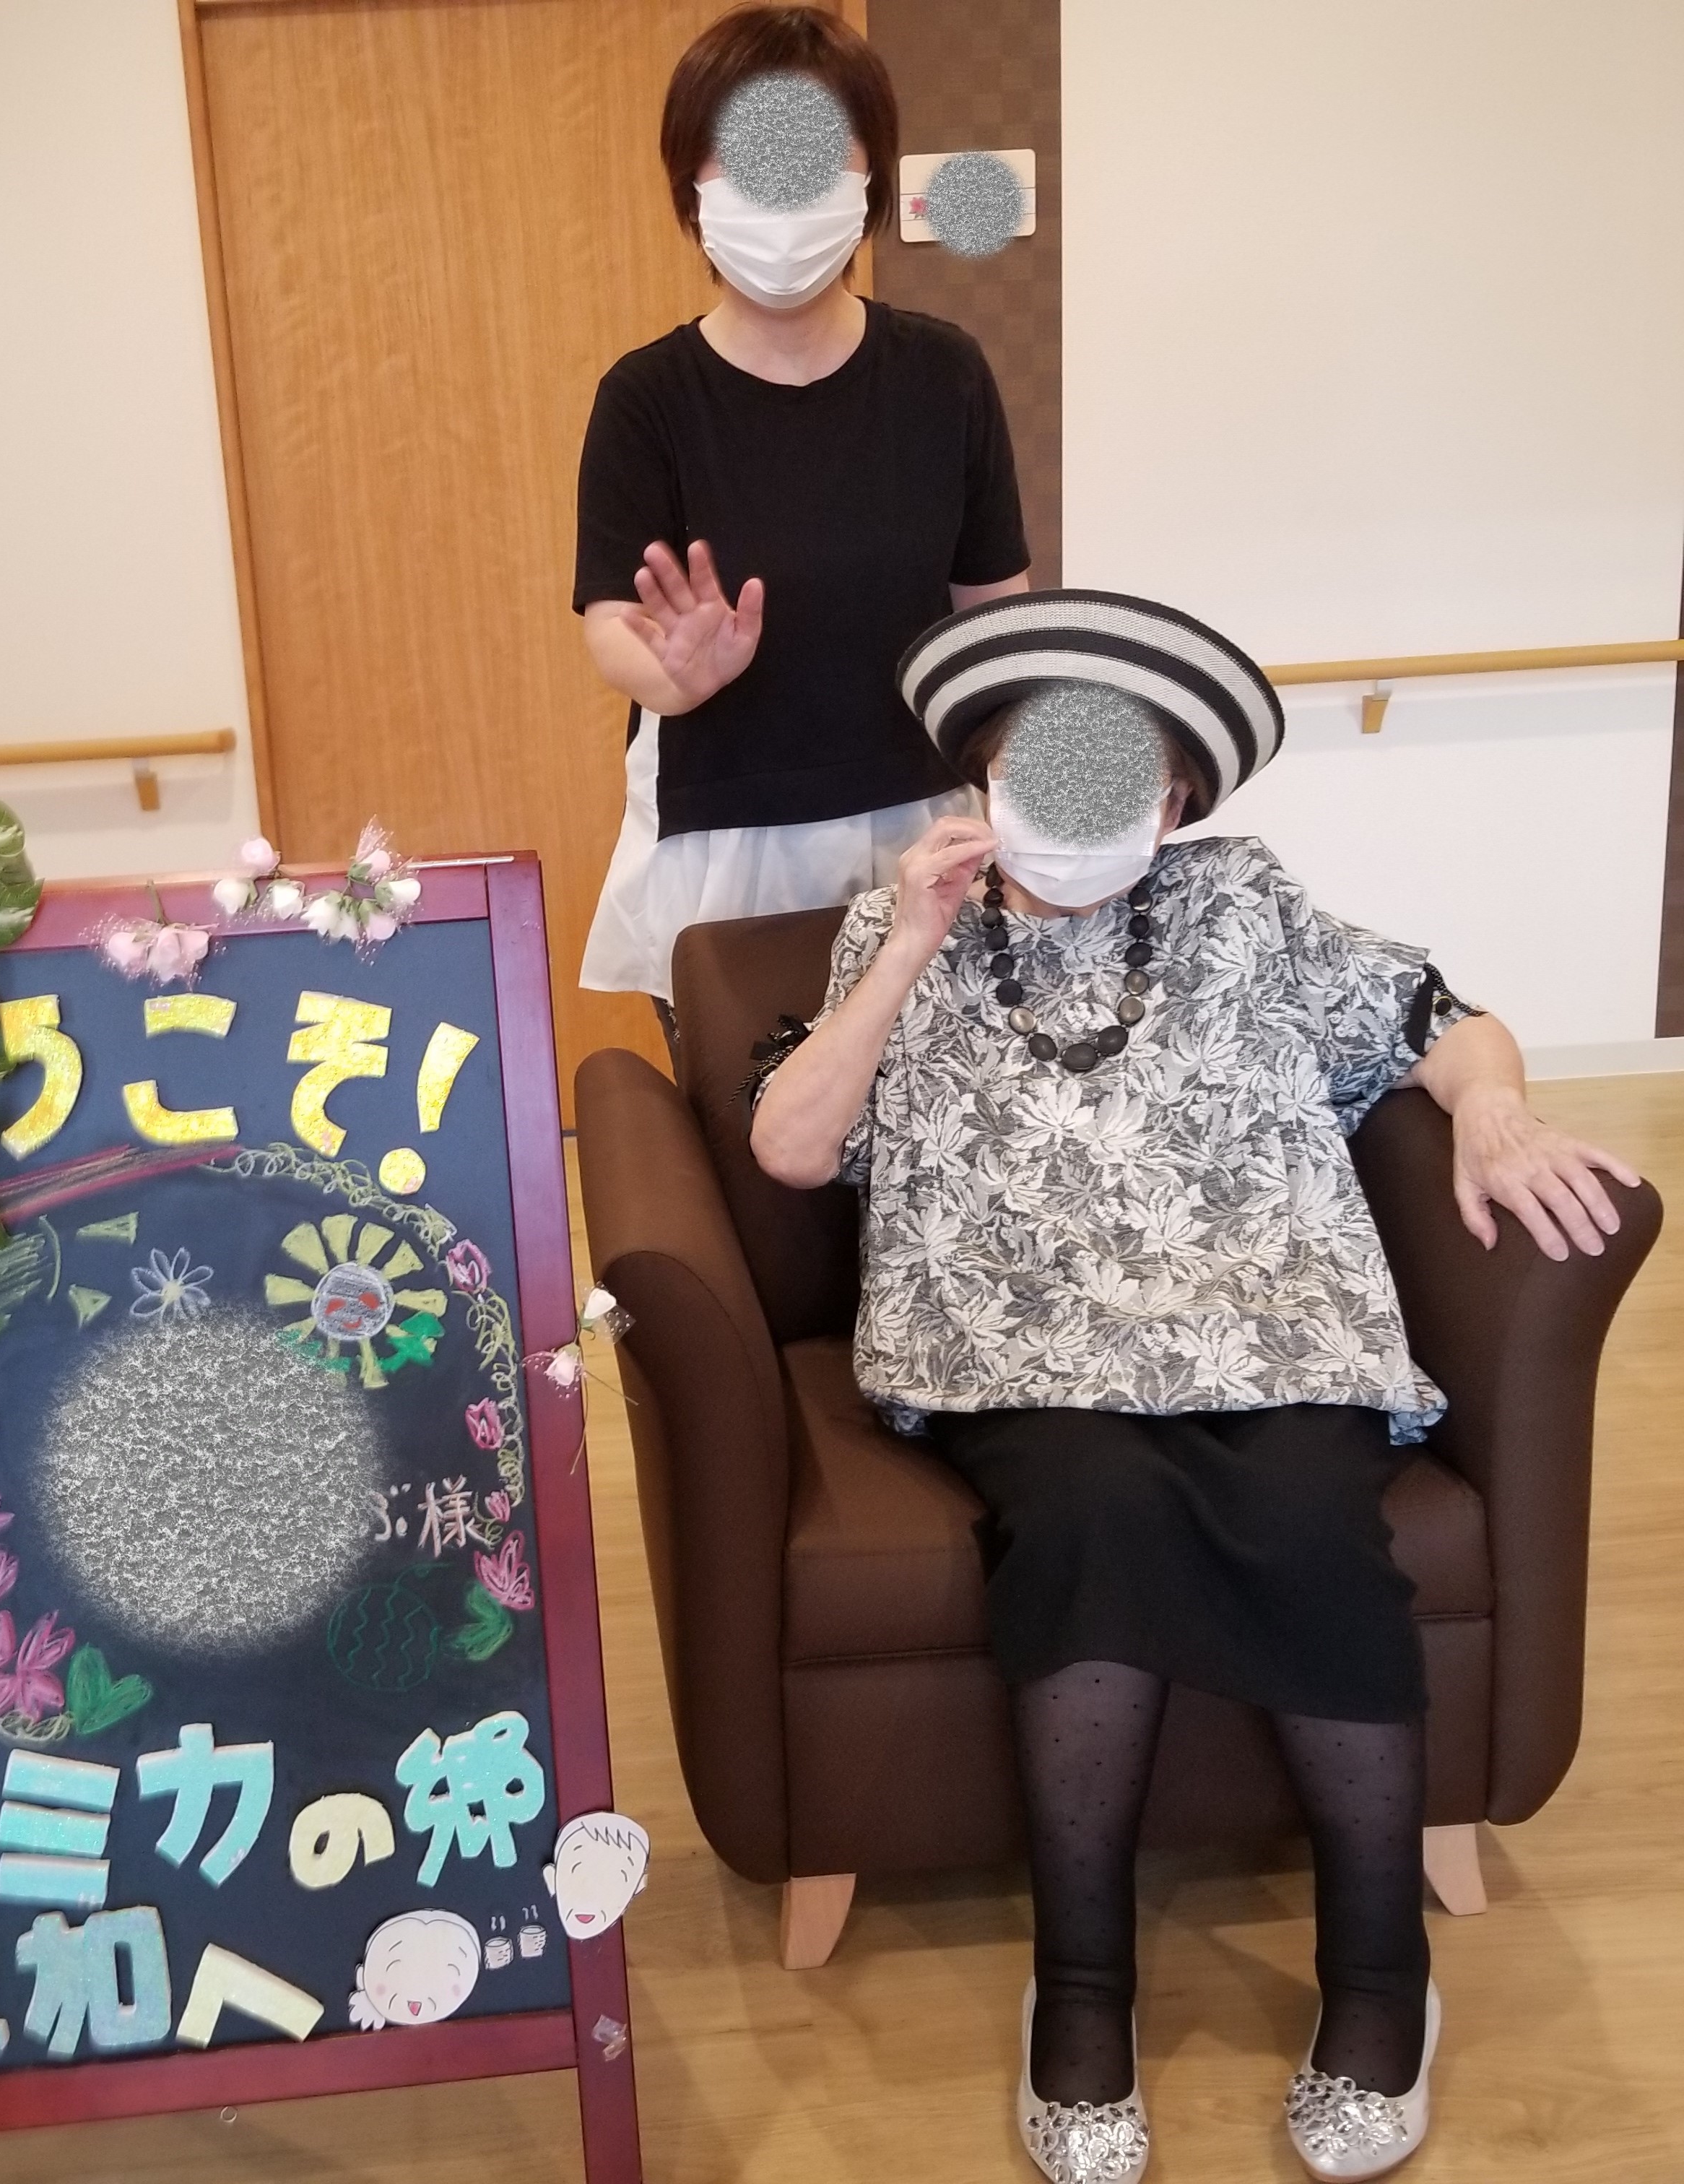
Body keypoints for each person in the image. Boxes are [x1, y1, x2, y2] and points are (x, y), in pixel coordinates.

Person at [748, 589, 1641, 2184]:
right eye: (1043, 771)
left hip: (1268, 1314)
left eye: (1123, 781)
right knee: (1089, 1523)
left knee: (1308, 1524)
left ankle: (1383, 1985)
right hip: (1018, 1337)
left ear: (1172, 802)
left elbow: (1442, 1023)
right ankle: (1082, 1995)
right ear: (987, 781)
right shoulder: (901, 926)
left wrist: (1496, 1110)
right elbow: (792, 1147)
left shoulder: (1246, 904)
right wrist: (911, 947)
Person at [573, 4, 1032, 1061]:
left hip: (920, 826)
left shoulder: (945, 375)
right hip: (727, 839)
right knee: (757, 1135)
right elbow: (611, 627)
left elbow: (996, 622)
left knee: (933, 1124)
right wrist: (674, 674)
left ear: (871, 179)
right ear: (691, 186)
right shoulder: (647, 398)